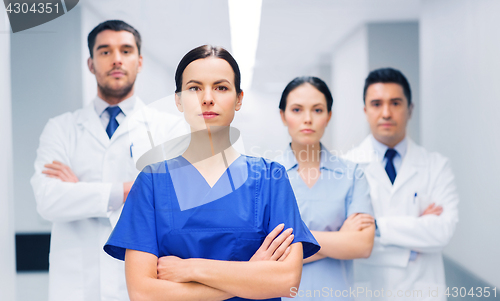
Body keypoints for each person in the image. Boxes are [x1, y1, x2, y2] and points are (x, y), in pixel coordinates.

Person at [104, 45, 320, 301]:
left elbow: (287, 282)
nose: (207, 98)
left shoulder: (271, 178)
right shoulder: (152, 182)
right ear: (179, 100)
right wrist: (250, 275)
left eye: (221, 87)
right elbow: (143, 293)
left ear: (239, 99)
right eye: (194, 88)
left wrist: (190, 268)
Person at [344, 68, 459, 301]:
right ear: (365, 110)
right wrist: (413, 241)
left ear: (410, 109)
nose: (386, 113)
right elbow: (347, 242)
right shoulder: (346, 167)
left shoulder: (436, 165)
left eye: (395, 103)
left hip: (423, 292)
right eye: (377, 104)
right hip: (369, 291)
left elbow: (443, 232)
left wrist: (375, 227)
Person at [275, 77, 375, 300]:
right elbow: (263, 254)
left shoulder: (352, 174)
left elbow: (362, 245)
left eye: (318, 110)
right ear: (283, 116)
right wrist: (340, 238)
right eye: (297, 110)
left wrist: (293, 245)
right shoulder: (266, 176)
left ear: (329, 116)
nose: (307, 119)